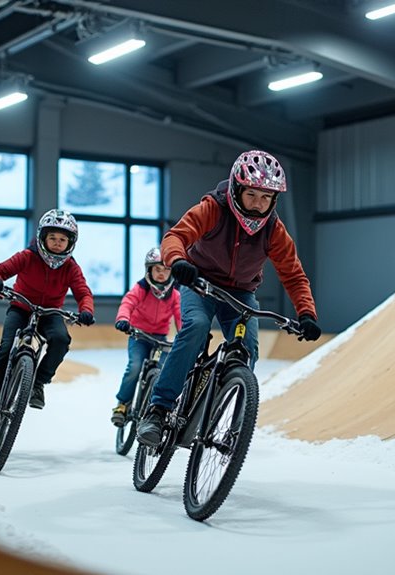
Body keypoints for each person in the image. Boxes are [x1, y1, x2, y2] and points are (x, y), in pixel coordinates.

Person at [136, 150, 322, 446]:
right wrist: (178, 261)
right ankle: (158, 410)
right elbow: (176, 236)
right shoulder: (214, 208)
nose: (258, 204)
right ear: (237, 188)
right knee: (195, 327)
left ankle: (226, 416)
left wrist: (307, 314)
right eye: (252, 195)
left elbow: (294, 275)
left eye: (266, 198)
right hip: (199, 283)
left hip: (241, 293)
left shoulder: (274, 230)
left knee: (248, 348)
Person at [0, 209, 95, 430]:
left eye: (62, 240)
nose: (57, 243)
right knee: (5, 348)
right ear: (42, 237)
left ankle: (38, 382)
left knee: (61, 339)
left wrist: (86, 309)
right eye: (52, 238)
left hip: (50, 312)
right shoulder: (28, 256)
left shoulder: (71, 267)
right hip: (21, 308)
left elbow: (83, 292)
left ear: (70, 243)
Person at [110, 247, 183, 426]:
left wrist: (184, 335)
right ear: (149, 270)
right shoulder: (141, 288)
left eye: (166, 270)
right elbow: (128, 303)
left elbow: (180, 316)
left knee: (165, 371)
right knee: (134, 366)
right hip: (139, 335)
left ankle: (156, 408)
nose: (161, 274)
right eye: (157, 269)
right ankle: (123, 404)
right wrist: (123, 319)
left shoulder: (174, 294)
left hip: (160, 337)